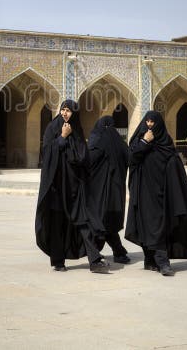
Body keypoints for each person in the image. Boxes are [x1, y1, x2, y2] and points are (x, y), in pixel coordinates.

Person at [35, 99, 109, 273]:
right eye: (63, 110)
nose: (64, 113)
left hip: (75, 187)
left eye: (68, 110)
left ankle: (95, 260)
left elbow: (83, 157)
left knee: (84, 222)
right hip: (57, 187)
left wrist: (72, 143)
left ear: (74, 113)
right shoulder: (53, 129)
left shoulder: (77, 130)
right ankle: (58, 261)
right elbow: (47, 154)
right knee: (57, 224)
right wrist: (62, 138)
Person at [125, 110, 187, 276]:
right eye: (148, 121)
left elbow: (174, 161)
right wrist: (144, 142)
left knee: (159, 226)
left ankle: (158, 261)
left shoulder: (165, 142)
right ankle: (155, 261)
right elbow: (131, 159)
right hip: (143, 192)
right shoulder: (139, 140)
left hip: (162, 193)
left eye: (153, 122)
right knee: (147, 225)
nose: (150, 125)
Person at [87, 115, 131, 264]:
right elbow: (131, 159)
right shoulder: (120, 144)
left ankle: (96, 254)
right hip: (117, 192)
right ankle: (118, 252)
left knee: (98, 223)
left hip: (97, 192)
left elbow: (87, 162)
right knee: (109, 223)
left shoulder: (97, 141)